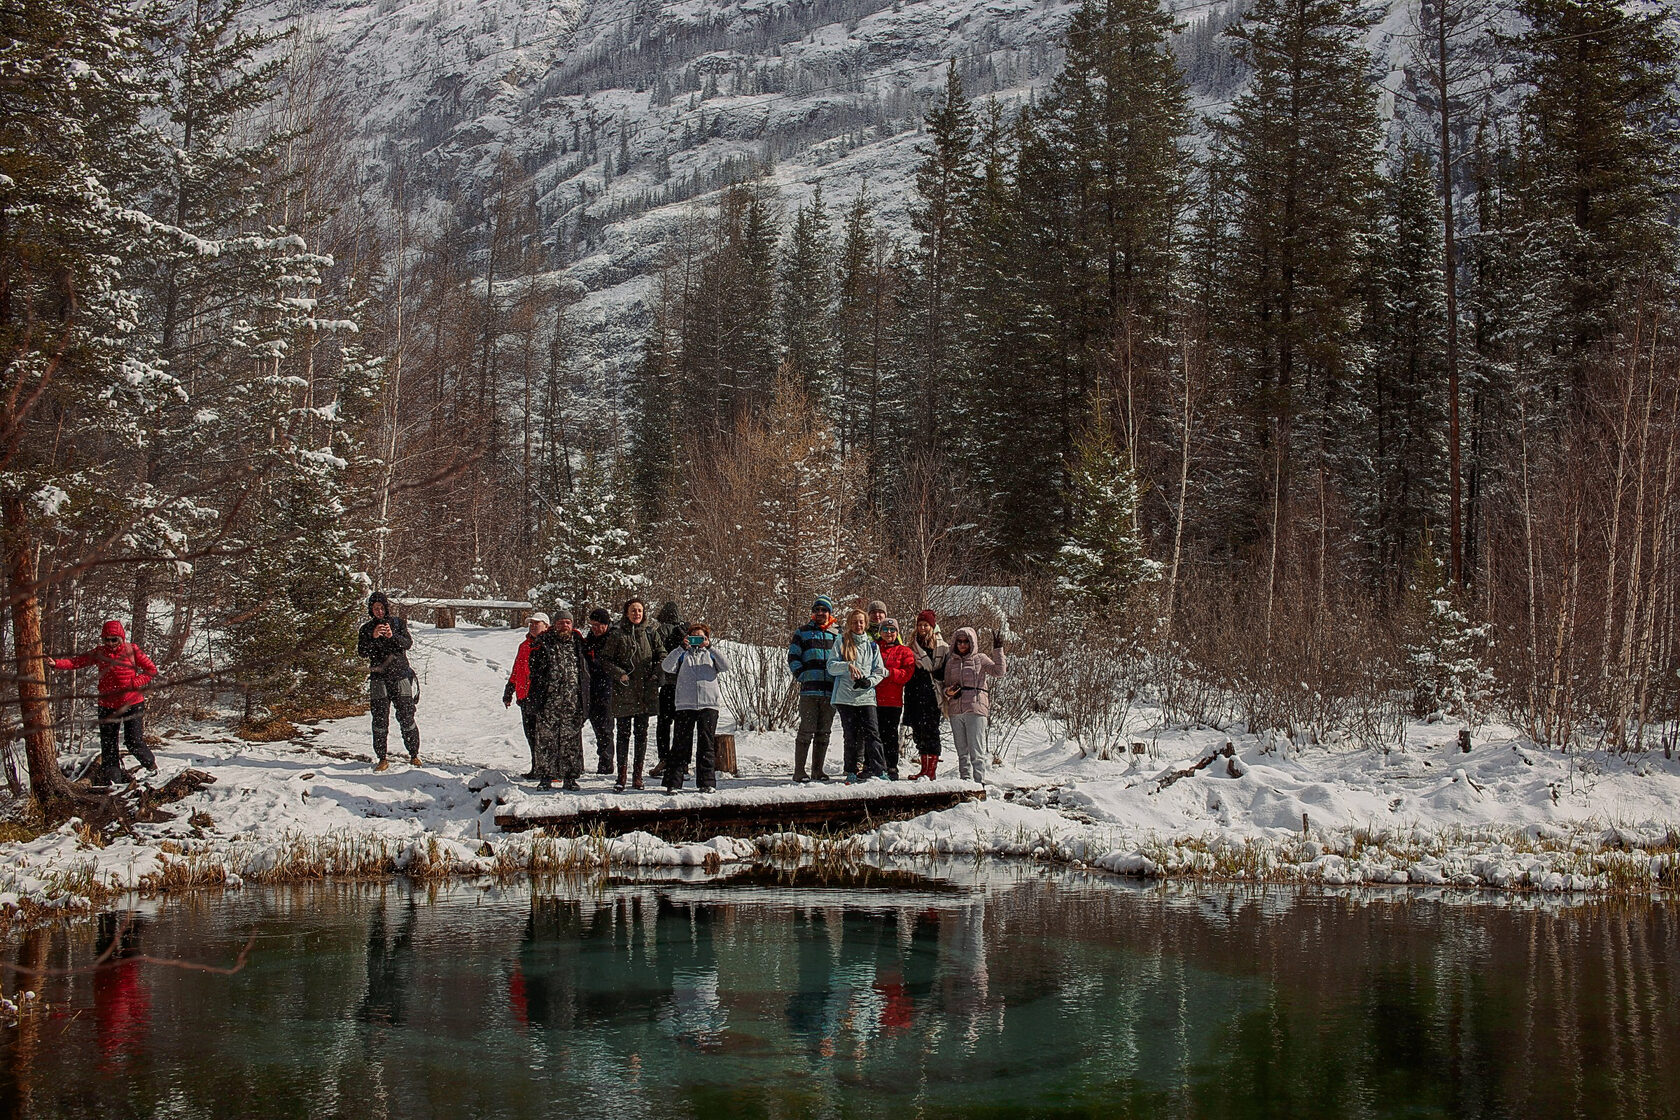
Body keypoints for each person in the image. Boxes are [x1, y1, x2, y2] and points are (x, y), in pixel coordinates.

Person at [50, 619, 158, 785]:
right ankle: (113, 781)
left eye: (114, 639)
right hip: (107, 706)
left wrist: (134, 683)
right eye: (106, 639)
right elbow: (76, 662)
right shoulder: (100, 653)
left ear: (121, 638)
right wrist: (56, 664)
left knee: (133, 741)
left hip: (132, 703)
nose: (110, 643)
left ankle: (152, 768)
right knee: (108, 746)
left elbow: (151, 670)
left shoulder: (132, 650)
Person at [659, 623, 731, 793]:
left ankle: (707, 782)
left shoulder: (711, 654)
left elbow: (726, 666)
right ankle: (673, 783)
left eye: (701, 637)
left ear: (706, 638)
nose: (697, 640)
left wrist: (710, 647)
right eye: (694, 637)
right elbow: (666, 667)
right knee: (680, 744)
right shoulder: (683, 654)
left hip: (709, 704)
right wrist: (680, 648)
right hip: (685, 704)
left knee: (706, 744)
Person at [599, 597, 660, 791]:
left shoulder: (650, 633)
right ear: (627, 612)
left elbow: (663, 654)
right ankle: (621, 776)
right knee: (623, 735)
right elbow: (605, 660)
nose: (637, 614)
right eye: (633, 610)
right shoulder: (617, 634)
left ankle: (638, 776)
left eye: (640, 611)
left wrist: (656, 672)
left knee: (641, 735)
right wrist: (620, 674)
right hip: (624, 691)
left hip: (644, 692)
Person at [527, 609, 591, 791]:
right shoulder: (543, 643)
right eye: (561, 622)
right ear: (554, 625)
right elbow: (534, 670)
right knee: (546, 741)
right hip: (548, 702)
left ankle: (570, 777)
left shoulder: (580, 644)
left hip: (572, 702)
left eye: (567, 622)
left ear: (572, 625)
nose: (564, 626)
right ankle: (546, 776)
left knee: (571, 741)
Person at [357, 591, 421, 771]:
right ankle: (382, 757)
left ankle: (414, 754)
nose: (378, 611)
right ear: (371, 610)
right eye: (375, 608)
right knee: (379, 719)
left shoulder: (398, 623)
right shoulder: (366, 629)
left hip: (400, 675)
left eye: (381, 607)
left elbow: (408, 643)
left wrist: (392, 636)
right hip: (379, 677)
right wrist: (374, 637)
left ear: (386, 608)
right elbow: (362, 652)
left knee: (407, 716)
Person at [828, 607, 888, 782]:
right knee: (851, 735)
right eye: (855, 622)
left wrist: (869, 681)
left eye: (861, 622)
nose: (858, 625)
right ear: (849, 624)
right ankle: (851, 770)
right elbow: (831, 667)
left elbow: (880, 670)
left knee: (873, 733)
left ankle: (879, 769)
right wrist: (846, 666)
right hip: (845, 696)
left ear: (866, 623)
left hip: (866, 696)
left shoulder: (872, 645)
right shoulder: (841, 641)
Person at [787, 596, 841, 782]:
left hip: (830, 691)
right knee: (806, 731)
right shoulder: (803, 632)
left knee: (824, 732)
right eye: (817, 610)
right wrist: (801, 674)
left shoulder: (838, 634)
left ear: (830, 613)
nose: (820, 613)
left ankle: (818, 770)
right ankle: (799, 771)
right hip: (809, 690)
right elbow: (793, 657)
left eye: (824, 610)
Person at [942, 626, 1006, 783]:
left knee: (976, 750)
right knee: (961, 751)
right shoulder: (951, 662)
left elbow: (999, 671)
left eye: (966, 642)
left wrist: (998, 650)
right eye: (959, 642)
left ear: (972, 643)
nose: (962, 645)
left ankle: (979, 783)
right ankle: (965, 784)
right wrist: (948, 692)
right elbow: (945, 685)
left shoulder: (980, 659)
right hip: (956, 709)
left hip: (976, 708)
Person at [503, 612, 551, 779]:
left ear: (546, 626)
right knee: (530, 734)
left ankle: (547, 769)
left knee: (543, 736)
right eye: (531, 624)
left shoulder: (549, 643)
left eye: (536, 624)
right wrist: (509, 689)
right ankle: (536, 766)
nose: (532, 626)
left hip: (542, 697)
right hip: (525, 696)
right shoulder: (524, 646)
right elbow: (517, 669)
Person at [905, 610, 949, 780]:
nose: (922, 628)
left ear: (932, 626)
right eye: (920, 624)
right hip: (914, 692)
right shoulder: (912, 645)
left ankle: (931, 770)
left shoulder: (941, 646)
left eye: (926, 625)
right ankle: (923, 769)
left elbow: (947, 668)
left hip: (932, 693)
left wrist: (939, 675)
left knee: (931, 730)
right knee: (919, 731)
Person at [874, 618, 915, 780]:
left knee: (890, 734)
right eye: (885, 629)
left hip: (893, 700)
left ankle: (891, 765)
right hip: (873, 699)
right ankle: (873, 764)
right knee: (873, 734)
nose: (888, 633)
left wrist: (890, 673)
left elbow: (907, 674)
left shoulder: (904, 651)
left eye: (892, 630)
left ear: (897, 632)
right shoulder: (874, 648)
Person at [651, 599, 687, 776]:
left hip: (667, 684)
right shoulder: (685, 630)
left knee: (664, 724)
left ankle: (664, 758)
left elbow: (657, 654)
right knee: (682, 725)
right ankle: (681, 761)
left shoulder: (661, 630)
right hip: (684, 685)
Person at [583, 607, 616, 774]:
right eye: (592, 625)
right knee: (595, 726)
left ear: (605, 624)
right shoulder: (590, 639)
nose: (594, 628)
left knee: (605, 729)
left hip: (607, 689)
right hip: (590, 688)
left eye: (597, 625)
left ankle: (606, 763)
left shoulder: (614, 639)